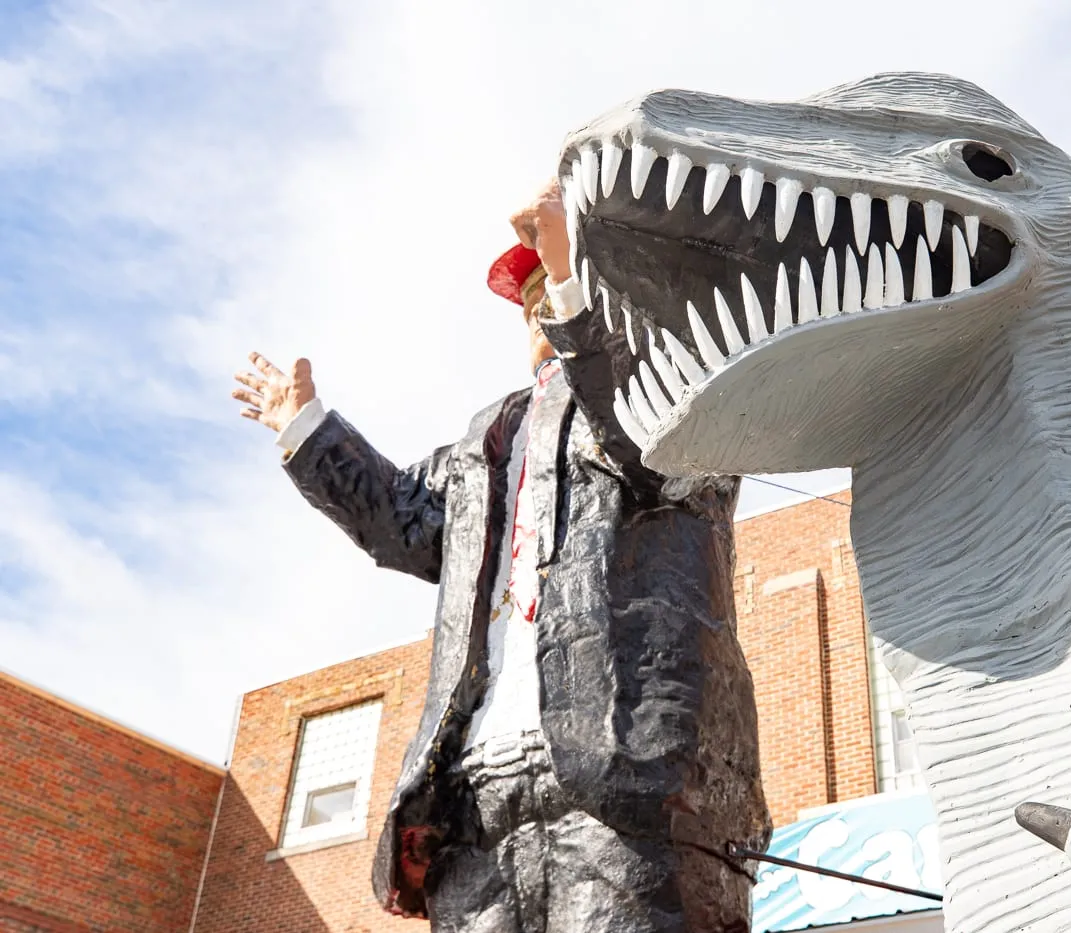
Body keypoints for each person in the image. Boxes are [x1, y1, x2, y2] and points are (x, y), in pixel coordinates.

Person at [230, 179, 770, 932]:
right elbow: (406, 522)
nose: (543, 313)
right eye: (535, 300)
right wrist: (307, 428)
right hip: (480, 802)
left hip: (630, 786)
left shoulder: (684, 393)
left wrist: (577, 285)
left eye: (558, 285)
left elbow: (654, 456)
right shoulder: (490, 438)